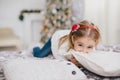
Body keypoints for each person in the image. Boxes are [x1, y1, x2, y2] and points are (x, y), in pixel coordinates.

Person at [33, 20, 101, 67]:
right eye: (80, 45)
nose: (84, 51)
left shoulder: (91, 46)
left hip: (66, 36)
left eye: (89, 47)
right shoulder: (64, 47)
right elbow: (58, 55)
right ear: (73, 40)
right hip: (56, 40)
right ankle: (36, 46)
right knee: (39, 55)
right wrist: (69, 61)